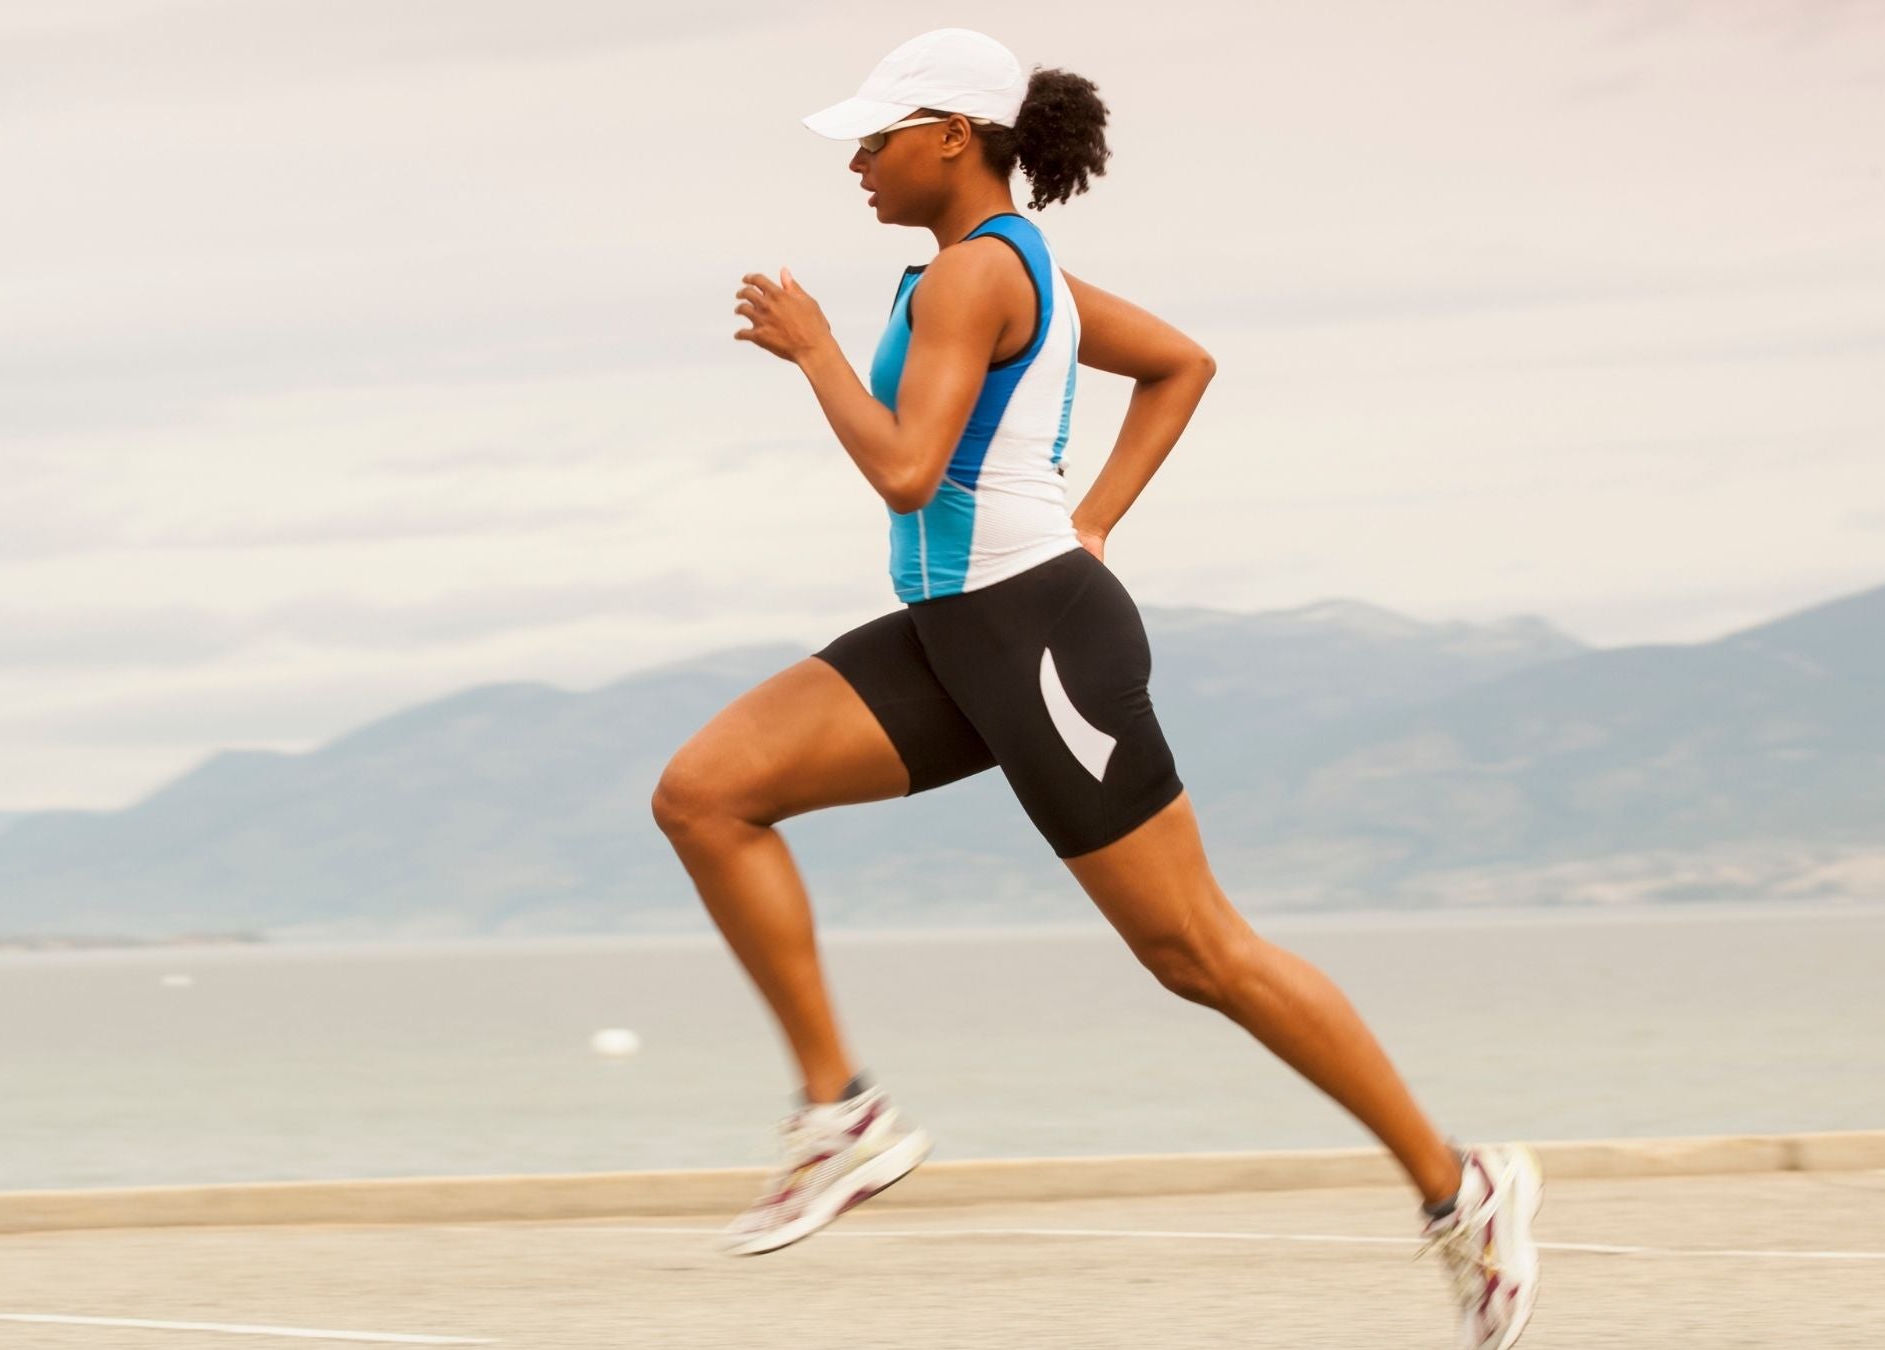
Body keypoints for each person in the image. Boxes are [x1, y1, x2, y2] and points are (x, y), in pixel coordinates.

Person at [649, 27, 1540, 1349]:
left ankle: (1459, 1184)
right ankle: (841, 1113)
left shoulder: (975, 280)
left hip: (1040, 639)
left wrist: (819, 354)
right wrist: (1096, 517)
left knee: (1198, 953)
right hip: (957, 634)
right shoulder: (984, 277)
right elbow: (1184, 361)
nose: (857, 160)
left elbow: (905, 471)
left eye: (877, 137)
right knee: (708, 792)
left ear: (952, 135)